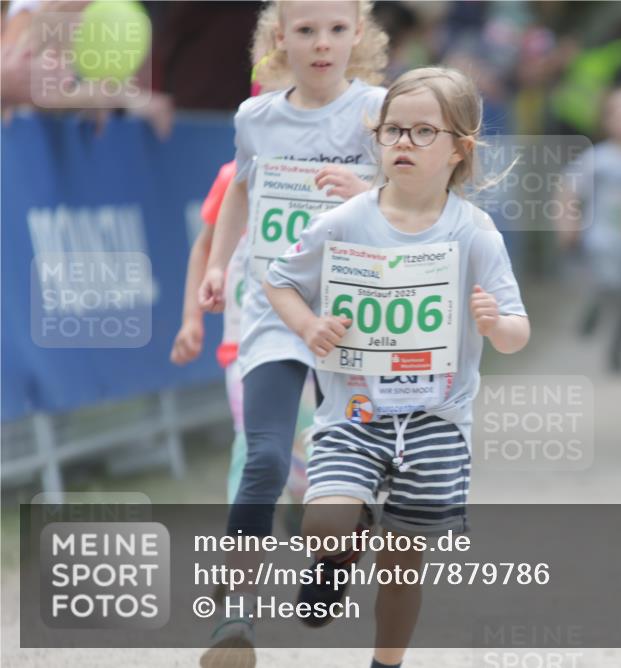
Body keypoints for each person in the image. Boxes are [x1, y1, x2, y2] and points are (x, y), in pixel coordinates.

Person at [265, 66, 530, 668]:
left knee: (403, 562)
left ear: (460, 150)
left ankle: (386, 663)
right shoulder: (344, 221)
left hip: (436, 421)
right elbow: (280, 282)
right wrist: (310, 327)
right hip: (353, 412)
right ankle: (336, 555)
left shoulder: (475, 233)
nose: (404, 143)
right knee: (326, 525)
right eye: (393, 131)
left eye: (422, 132)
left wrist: (493, 324)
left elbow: (517, 332)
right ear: (377, 139)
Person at [195, 2, 388, 665]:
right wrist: (221, 263)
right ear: (281, 38)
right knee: (267, 456)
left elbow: (419, 199)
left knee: (340, 479)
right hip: (276, 313)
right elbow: (242, 194)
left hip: (359, 322)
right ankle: (235, 619)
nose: (321, 43)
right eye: (305, 30)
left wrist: (364, 187)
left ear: (357, 34)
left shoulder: (379, 111)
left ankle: (338, 550)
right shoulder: (256, 118)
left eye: (336, 29)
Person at [559, 85, 621, 374]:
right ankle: (597, 300)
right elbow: (567, 188)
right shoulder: (597, 158)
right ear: (607, 120)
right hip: (603, 239)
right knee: (613, 284)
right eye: (619, 113)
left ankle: (617, 346)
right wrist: (568, 225)